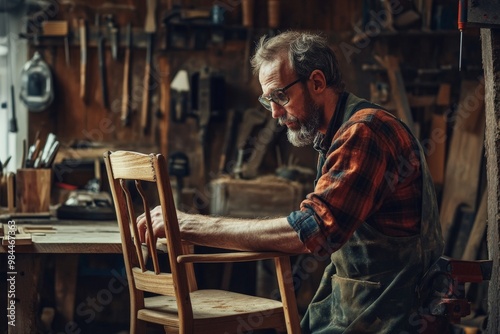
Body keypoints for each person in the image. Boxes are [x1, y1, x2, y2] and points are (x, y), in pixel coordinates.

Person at [137, 30, 444, 333]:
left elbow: (312, 231)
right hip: (357, 307)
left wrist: (190, 225)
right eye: (267, 100)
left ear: (317, 82)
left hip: (393, 314)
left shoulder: (365, 132)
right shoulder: (335, 135)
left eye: (280, 96)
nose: (274, 113)